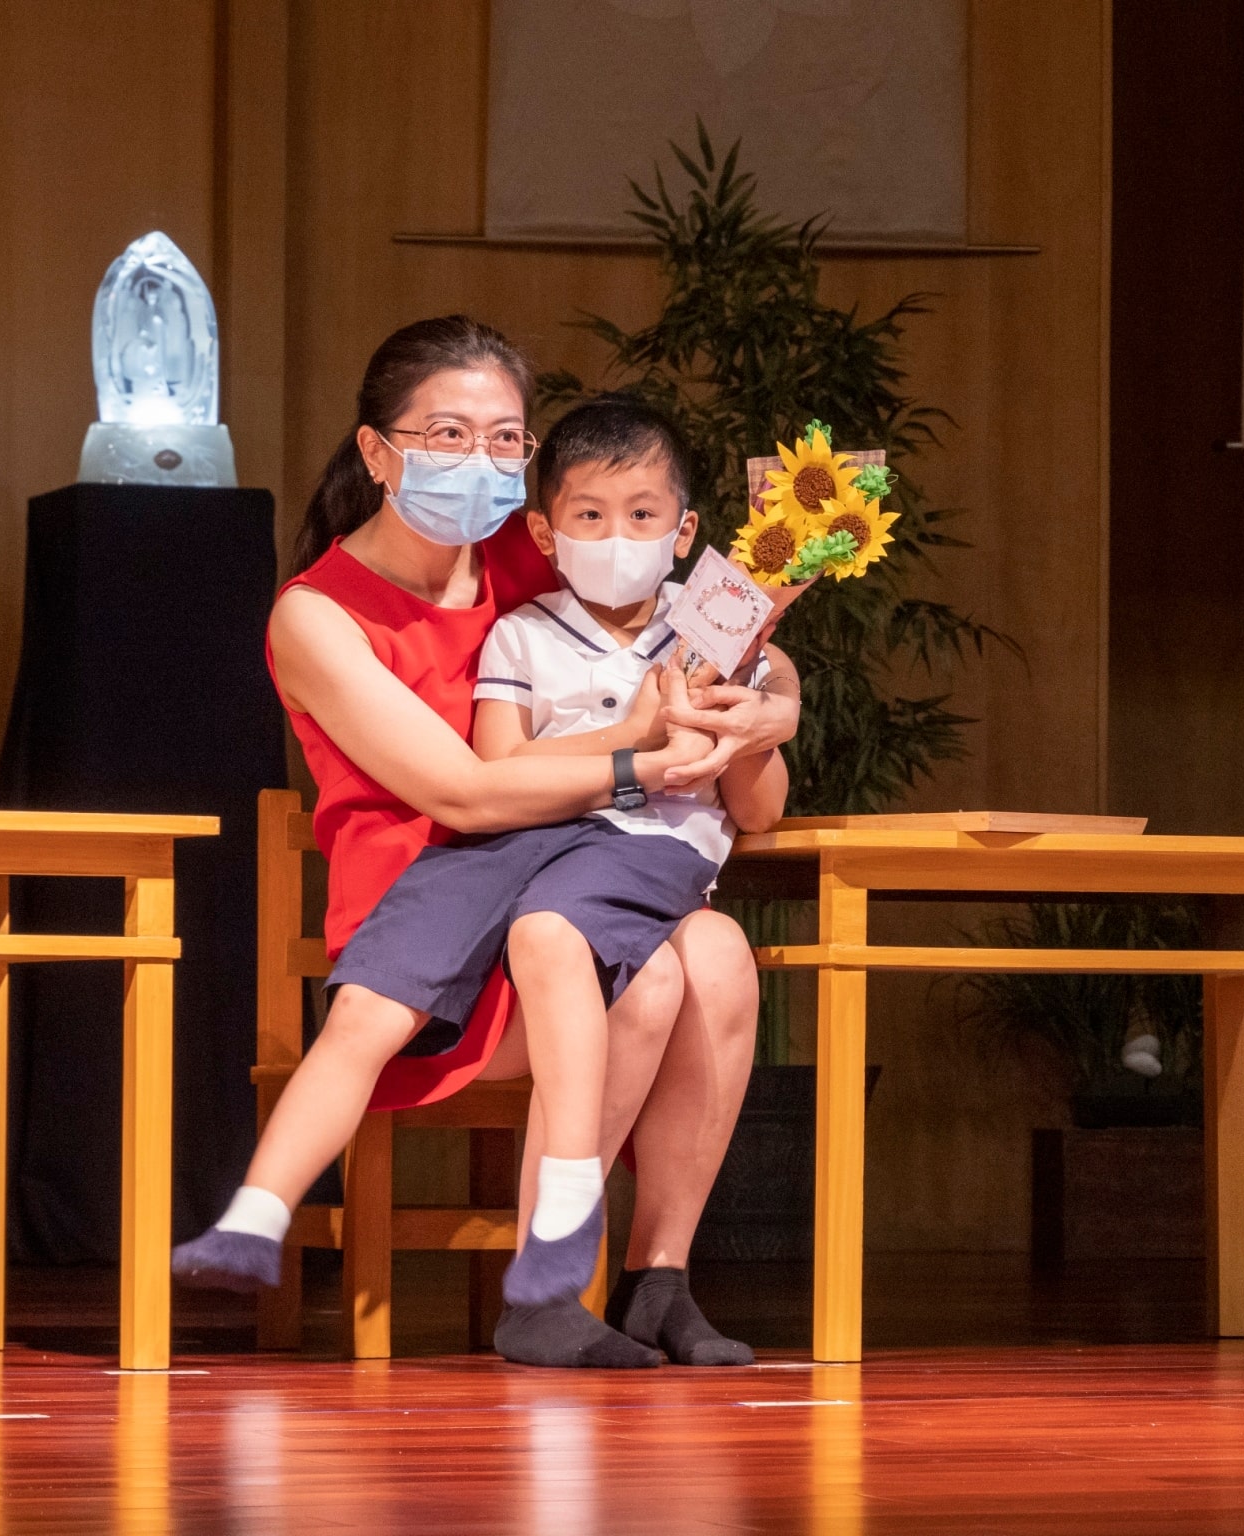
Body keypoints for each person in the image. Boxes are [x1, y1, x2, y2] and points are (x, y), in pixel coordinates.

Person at [171, 316, 797, 1368]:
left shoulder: (540, 543)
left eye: (505, 440)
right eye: (448, 436)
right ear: (378, 452)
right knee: (638, 981)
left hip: (579, 870)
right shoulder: (317, 615)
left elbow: (720, 636)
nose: (483, 464)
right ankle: (547, 1289)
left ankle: (658, 1280)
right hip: (438, 911)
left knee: (721, 954)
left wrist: (771, 710)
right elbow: (464, 793)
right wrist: (644, 754)